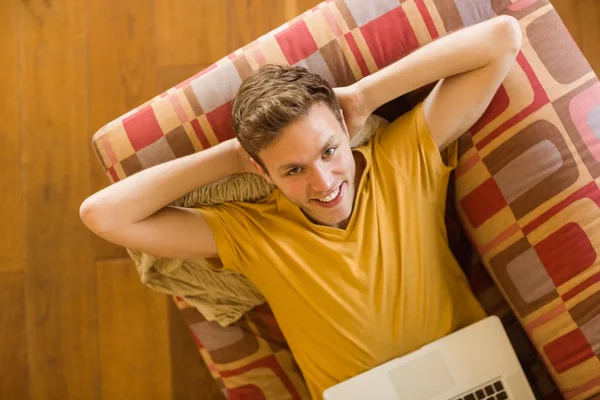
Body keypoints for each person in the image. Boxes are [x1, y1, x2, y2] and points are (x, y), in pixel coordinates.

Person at [80, 15, 522, 399]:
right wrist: (234, 157)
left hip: (472, 382)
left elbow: (503, 36)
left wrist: (364, 96)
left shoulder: (401, 158)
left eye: (329, 151)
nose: (324, 184)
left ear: (346, 130)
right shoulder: (250, 232)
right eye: (293, 170)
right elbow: (103, 215)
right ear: (263, 172)